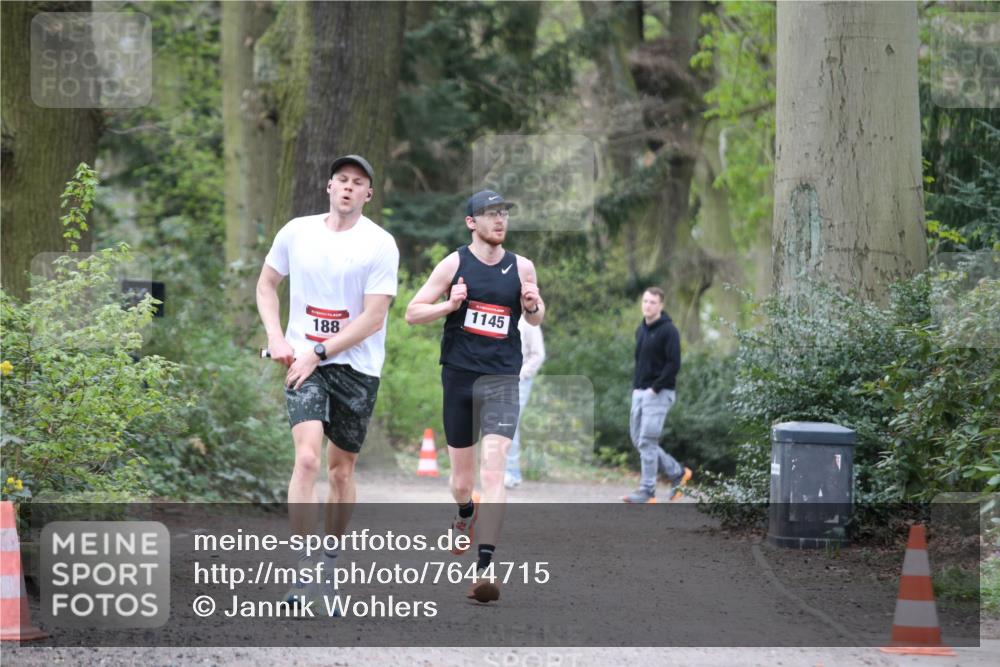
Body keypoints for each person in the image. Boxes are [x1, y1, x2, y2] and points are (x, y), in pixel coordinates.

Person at [256, 154, 399, 605]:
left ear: (368, 194)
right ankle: (302, 571)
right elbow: (266, 285)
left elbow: (374, 318)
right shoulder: (296, 232)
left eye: (358, 183)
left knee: (341, 472)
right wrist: (278, 338)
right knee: (308, 461)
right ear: (328, 186)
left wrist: (321, 350)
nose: (348, 188)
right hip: (303, 362)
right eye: (342, 180)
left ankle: (331, 567)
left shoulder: (380, 244)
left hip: (356, 367)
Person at [405, 190, 544, 603]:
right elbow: (413, 313)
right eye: (490, 214)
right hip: (460, 378)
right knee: (462, 482)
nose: (500, 220)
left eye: (504, 213)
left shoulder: (522, 267)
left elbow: (536, 316)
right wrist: (450, 305)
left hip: (502, 377)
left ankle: (485, 568)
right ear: (471, 222)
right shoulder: (454, 263)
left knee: (494, 468)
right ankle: (465, 513)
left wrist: (533, 306)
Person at [622, 287, 691, 504]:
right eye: (645, 301)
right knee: (639, 440)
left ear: (661, 305)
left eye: (652, 302)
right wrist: (637, 388)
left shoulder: (669, 331)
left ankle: (647, 491)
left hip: (659, 394)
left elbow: (673, 364)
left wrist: (655, 388)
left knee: (648, 441)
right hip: (640, 392)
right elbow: (640, 362)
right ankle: (677, 472)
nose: (648, 305)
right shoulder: (641, 329)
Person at [504, 319, 545, 489]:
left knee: (508, 423)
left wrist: (520, 375)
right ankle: (505, 471)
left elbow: (538, 354)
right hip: (498, 378)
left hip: (519, 379)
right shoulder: (504, 314)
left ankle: (512, 473)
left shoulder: (528, 322)